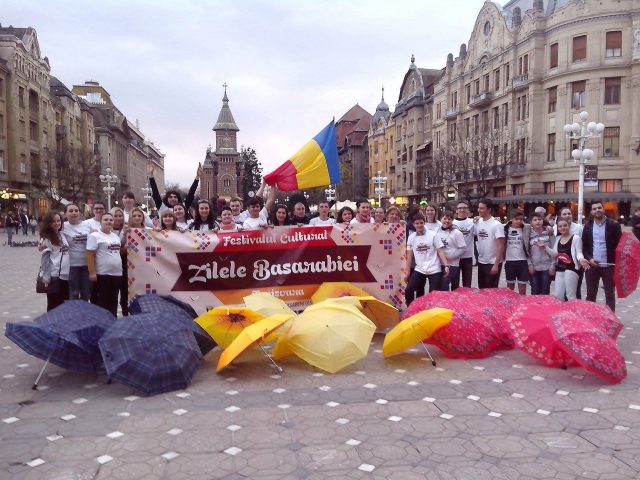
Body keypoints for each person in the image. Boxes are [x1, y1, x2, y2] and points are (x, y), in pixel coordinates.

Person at [580, 202, 622, 312]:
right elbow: (584, 246)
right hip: (592, 265)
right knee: (590, 294)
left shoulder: (614, 225)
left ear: (603, 209)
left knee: (609, 294)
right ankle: (590, 317)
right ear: (591, 212)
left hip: (609, 265)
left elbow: (620, 245)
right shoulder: (588, 226)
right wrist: (590, 259)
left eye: (599, 207)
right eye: (594, 208)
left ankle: (610, 318)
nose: (597, 210)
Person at [405, 214, 449, 305]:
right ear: (413, 224)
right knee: (409, 290)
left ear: (424, 223)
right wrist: (407, 272)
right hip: (420, 268)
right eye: (417, 223)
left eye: (421, 223)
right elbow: (409, 256)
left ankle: (432, 312)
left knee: (434, 295)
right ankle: (411, 309)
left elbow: (440, 251)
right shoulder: (411, 237)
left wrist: (446, 265)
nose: (419, 225)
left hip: (434, 268)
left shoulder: (433, 234)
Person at [86, 213, 124, 316]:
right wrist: (92, 272)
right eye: (105, 219)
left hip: (116, 274)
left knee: (113, 300)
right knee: (101, 301)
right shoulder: (94, 236)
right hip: (102, 274)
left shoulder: (115, 236)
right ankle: (101, 323)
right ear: (100, 222)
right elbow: (90, 255)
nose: (108, 221)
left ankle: (112, 321)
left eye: (111, 220)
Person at [39, 210, 70, 311]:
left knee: (64, 304)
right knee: (53, 305)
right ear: (48, 223)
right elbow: (45, 259)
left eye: (58, 220)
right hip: (54, 277)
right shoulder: (46, 239)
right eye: (54, 221)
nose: (57, 223)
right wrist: (46, 276)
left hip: (66, 276)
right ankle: (51, 325)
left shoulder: (62, 235)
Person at [62, 204, 92, 301]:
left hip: (86, 265)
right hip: (71, 265)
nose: (74, 213)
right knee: (73, 294)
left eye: (76, 210)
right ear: (66, 213)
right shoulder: (63, 227)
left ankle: (83, 315)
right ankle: (73, 314)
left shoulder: (87, 225)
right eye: (71, 211)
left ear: (80, 213)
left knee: (86, 294)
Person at [474, 198, 505, 289]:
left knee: (491, 290)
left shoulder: (496, 224)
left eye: (482, 208)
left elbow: (501, 245)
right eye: (478, 208)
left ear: (489, 209)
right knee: (482, 289)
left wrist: (496, 264)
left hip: (493, 262)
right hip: (481, 261)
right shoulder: (478, 222)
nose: (479, 210)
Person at [552, 218, 586, 302]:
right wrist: (544, 247)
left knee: (570, 295)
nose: (563, 228)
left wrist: (581, 259)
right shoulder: (558, 238)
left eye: (565, 225)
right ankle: (561, 313)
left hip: (571, 268)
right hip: (560, 268)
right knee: (558, 295)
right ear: (557, 228)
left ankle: (573, 313)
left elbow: (579, 252)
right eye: (560, 226)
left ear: (569, 226)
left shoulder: (576, 238)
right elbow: (554, 254)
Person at [436, 211, 466, 291]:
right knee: (440, 287)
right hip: (440, 264)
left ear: (452, 220)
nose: (446, 221)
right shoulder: (437, 231)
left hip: (452, 265)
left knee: (445, 286)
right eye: (444, 218)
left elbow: (463, 248)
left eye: (449, 219)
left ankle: (448, 303)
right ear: (440, 219)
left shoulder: (457, 233)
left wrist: (450, 257)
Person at [503, 209, 531, 295]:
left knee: (522, 289)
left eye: (521, 219)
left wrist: (548, 226)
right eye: (517, 219)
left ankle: (522, 306)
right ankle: (510, 306)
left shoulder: (526, 228)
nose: (519, 221)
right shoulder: (504, 228)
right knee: (510, 288)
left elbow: (538, 225)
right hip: (509, 261)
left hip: (523, 262)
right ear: (511, 219)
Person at [528, 212, 555, 295]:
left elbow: (554, 250)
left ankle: (545, 308)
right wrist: (529, 265)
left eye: (539, 219)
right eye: (535, 220)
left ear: (543, 221)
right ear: (531, 222)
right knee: (535, 290)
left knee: (545, 291)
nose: (537, 222)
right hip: (534, 267)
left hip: (547, 268)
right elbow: (526, 252)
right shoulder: (528, 234)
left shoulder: (549, 233)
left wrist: (552, 266)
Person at [453, 201, 475, 289]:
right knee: (455, 284)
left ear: (468, 210)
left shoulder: (473, 222)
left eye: (465, 208)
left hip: (468, 257)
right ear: (456, 210)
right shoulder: (452, 223)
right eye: (460, 208)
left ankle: (467, 302)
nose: (462, 210)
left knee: (467, 284)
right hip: (455, 258)